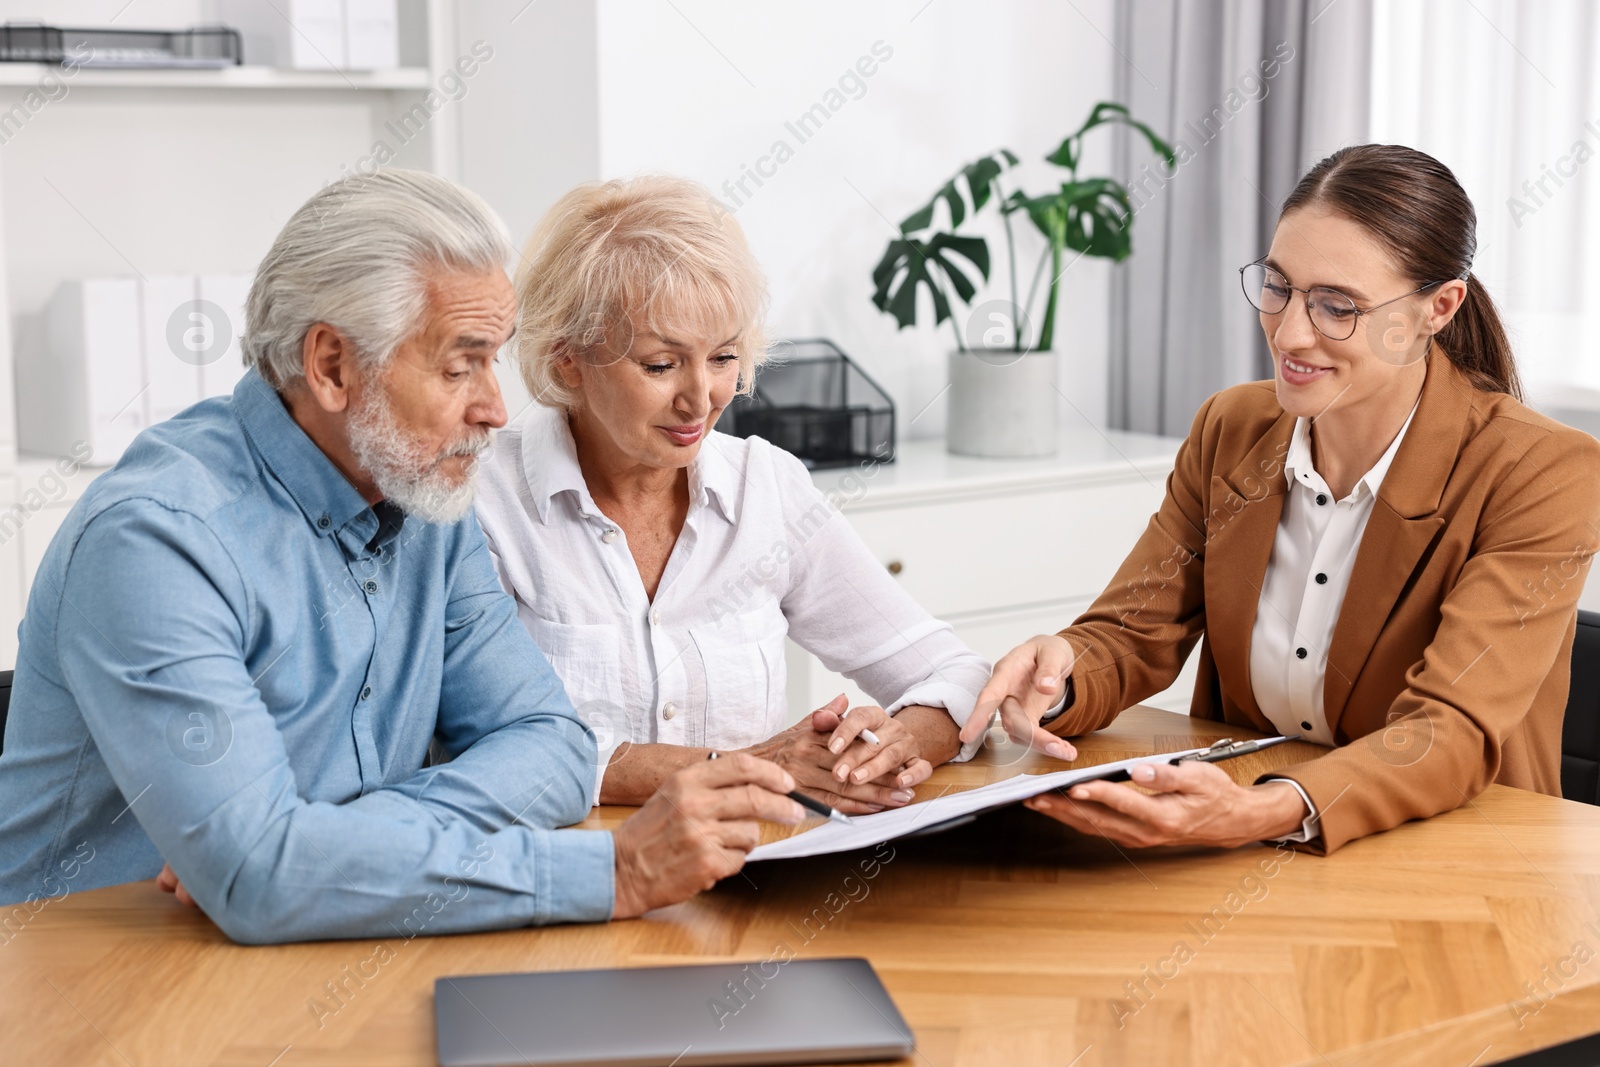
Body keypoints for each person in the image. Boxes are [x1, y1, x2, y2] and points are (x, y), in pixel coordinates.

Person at [0, 170, 808, 942]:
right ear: (331, 366)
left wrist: (326, 844)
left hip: (340, 944)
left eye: (496, 358)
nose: (496, 409)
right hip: (99, 978)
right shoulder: (156, 539)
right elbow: (257, 878)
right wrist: (613, 873)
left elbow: (552, 746)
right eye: (462, 365)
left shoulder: (424, 493)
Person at [964, 144, 1600, 854]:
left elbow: (1447, 728)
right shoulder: (1231, 428)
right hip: (1246, 838)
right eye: (1278, 286)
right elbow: (1133, 633)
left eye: (1337, 306)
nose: (1290, 333)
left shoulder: (1546, 469)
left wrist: (1267, 810)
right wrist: (1062, 673)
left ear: (1438, 308)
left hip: (1455, 855)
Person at [474, 176, 990, 813]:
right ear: (566, 360)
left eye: (722, 357)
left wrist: (892, 742)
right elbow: (488, 744)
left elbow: (955, 674)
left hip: (752, 879)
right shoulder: (485, 500)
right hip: (570, 875)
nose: (704, 398)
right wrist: (750, 768)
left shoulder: (765, 487)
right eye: (660, 365)